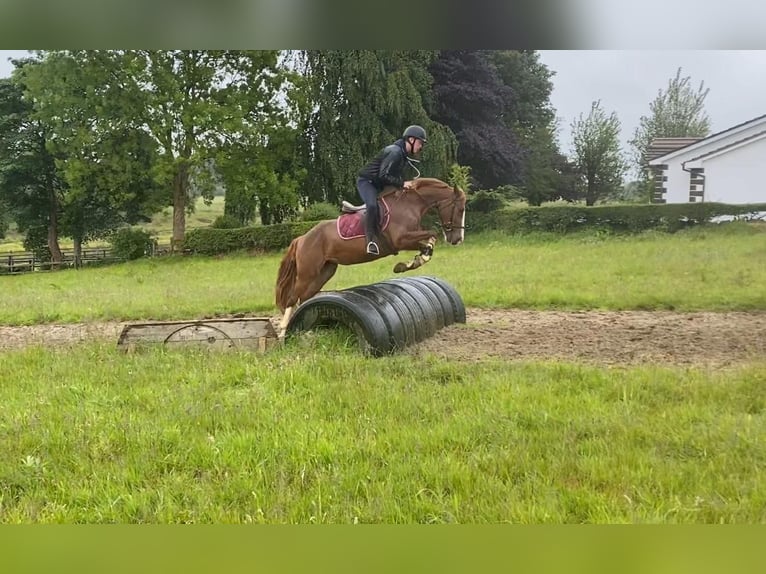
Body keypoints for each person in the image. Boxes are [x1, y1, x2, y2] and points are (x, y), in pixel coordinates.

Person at [356, 125, 427, 255]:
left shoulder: (403, 155)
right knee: (372, 206)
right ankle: (370, 241)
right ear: (411, 140)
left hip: (379, 184)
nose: (421, 146)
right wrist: (402, 183)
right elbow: (384, 175)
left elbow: (393, 177)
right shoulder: (394, 152)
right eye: (420, 142)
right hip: (367, 182)